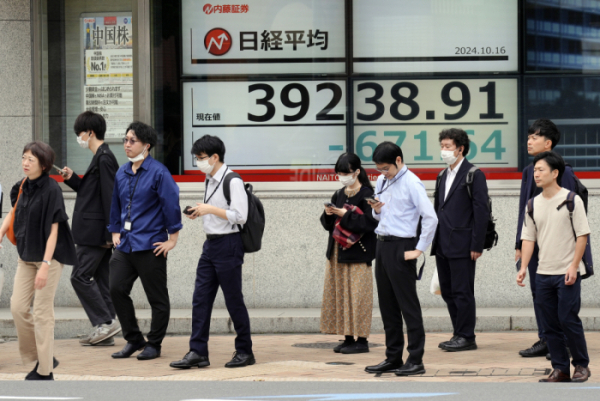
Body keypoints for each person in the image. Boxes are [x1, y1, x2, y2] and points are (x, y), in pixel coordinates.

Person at [170, 135, 253, 369]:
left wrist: (211, 209)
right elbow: (217, 210)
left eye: (201, 158)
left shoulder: (232, 180)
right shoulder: (210, 178)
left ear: (215, 157)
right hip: (211, 246)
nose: (198, 162)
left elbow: (240, 216)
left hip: (229, 245)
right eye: (196, 158)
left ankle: (245, 351)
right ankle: (198, 351)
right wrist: (200, 210)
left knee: (233, 300)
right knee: (200, 299)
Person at [0, 141, 77, 380]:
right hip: (26, 256)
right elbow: (12, 212)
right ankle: (44, 355)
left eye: (31, 160)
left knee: (42, 313)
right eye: (24, 157)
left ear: (44, 165)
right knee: (18, 307)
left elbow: (55, 230)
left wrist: (45, 265)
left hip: (49, 258)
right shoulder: (22, 185)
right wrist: (0, 233)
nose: (25, 163)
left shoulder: (52, 190)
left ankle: (45, 372)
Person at [108, 122, 182, 361]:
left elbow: (171, 205)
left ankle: (154, 344)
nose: (127, 145)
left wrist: (173, 239)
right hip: (126, 243)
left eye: (132, 141)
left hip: (151, 245)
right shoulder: (122, 171)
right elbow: (116, 204)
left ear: (146, 145)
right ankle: (134, 339)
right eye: (126, 140)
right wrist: (114, 231)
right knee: (116, 288)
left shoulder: (159, 172)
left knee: (157, 298)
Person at [364, 142, 438, 376]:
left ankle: (416, 359)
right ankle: (393, 356)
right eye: (378, 170)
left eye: (385, 168)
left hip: (402, 246)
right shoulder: (383, 181)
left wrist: (419, 249)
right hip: (382, 244)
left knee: (408, 306)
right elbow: (380, 216)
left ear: (398, 160)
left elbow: (431, 218)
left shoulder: (412, 183)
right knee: (388, 306)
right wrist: (376, 209)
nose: (382, 173)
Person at [517, 151, 591, 383]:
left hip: (567, 272)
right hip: (543, 273)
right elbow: (529, 238)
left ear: (555, 173)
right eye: (534, 170)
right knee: (549, 325)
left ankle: (581, 365)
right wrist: (523, 266)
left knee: (568, 319)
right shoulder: (532, 204)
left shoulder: (571, 200)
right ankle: (560, 369)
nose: (536, 174)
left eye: (541, 170)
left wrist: (574, 266)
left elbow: (582, 235)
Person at [515, 119, 577, 359]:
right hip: (534, 246)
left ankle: (565, 342)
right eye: (528, 137)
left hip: (558, 247)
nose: (528, 141)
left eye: (534, 137)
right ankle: (547, 338)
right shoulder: (528, 171)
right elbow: (524, 210)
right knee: (538, 294)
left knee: (562, 294)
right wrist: (519, 245)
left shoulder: (564, 171)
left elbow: (571, 210)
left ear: (548, 143)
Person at [57, 111, 120, 346]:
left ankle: (105, 322)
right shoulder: (100, 157)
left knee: (79, 276)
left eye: (79, 133)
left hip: (96, 234)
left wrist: (109, 233)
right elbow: (92, 192)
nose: (78, 138)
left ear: (90, 132)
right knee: (103, 281)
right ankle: (106, 331)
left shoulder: (104, 158)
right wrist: (73, 178)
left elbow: (110, 196)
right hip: (98, 232)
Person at [431, 129, 489, 352]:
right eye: (442, 146)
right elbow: (438, 209)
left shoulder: (474, 174)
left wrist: (477, 244)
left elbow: (481, 212)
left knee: (463, 291)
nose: (443, 150)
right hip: (443, 242)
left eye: (448, 146)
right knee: (447, 290)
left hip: (463, 244)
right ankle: (458, 332)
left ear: (460, 148)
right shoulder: (442, 175)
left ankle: (467, 336)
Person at [319, 153, 378, 354]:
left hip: (359, 254)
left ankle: (362, 340)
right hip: (337, 252)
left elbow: (371, 223)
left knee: (359, 296)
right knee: (341, 294)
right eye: (340, 173)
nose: (343, 177)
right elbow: (329, 226)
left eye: (346, 173)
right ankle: (348, 338)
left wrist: (346, 215)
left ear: (357, 172)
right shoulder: (339, 194)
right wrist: (328, 214)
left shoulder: (368, 194)